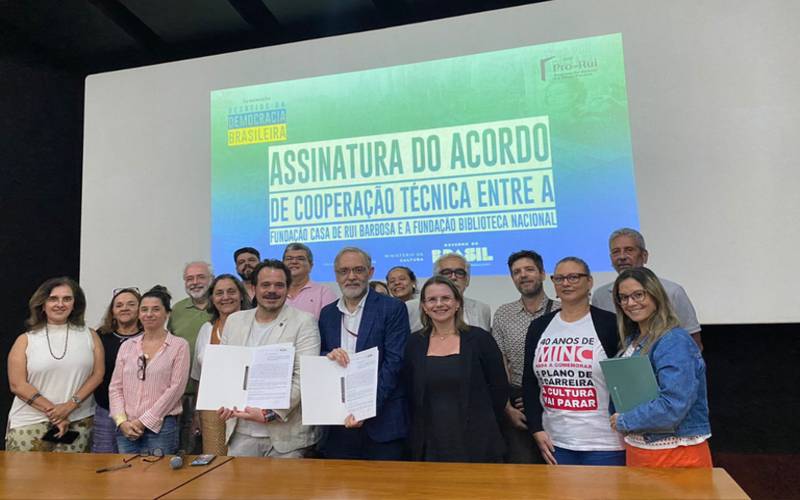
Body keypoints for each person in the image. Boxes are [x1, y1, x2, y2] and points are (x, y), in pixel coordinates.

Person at [522, 257, 624, 466]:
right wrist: (536, 429)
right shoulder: (539, 327)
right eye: (559, 278)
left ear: (590, 281)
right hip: (556, 443)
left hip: (605, 443)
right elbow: (530, 383)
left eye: (573, 277)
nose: (566, 283)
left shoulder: (611, 325)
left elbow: (625, 382)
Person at [609, 267, 712, 468]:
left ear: (656, 294)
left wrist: (624, 421)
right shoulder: (632, 340)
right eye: (623, 298)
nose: (630, 303)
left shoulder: (674, 340)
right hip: (640, 450)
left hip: (676, 454)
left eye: (638, 295)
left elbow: (674, 405)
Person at [217, 260, 321, 458]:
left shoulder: (304, 321)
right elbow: (226, 370)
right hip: (241, 433)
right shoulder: (234, 321)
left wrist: (270, 412)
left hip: (286, 437)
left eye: (279, 285)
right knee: (240, 489)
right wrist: (223, 399)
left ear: (288, 289)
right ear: (254, 288)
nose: (272, 290)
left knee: (284, 490)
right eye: (265, 285)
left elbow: (304, 376)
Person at [318, 247, 410, 460]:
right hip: (338, 423)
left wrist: (364, 408)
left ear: (370, 272)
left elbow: (394, 363)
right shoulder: (328, 313)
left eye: (358, 270)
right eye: (344, 271)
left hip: (382, 422)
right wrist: (328, 356)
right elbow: (321, 355)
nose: (351, 277)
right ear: (336, 275)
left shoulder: (392, 308)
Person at [404, 276, 507, 462]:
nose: (439, 304)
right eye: (432, 299)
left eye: (446, 298)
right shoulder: (414, 344)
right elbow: (409, 392)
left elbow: (499, 390)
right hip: (430, 441)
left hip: (478, 440)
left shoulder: (480, 339)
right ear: (424, 307)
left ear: (457, 303)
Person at [6, 277, 104, 452]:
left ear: (75, 304)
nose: (60, 304)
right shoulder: (25, 340)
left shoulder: (91, 336)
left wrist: (69, 407)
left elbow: (97, 375)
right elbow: (17, 384)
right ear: (42, 304)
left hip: (78, 422)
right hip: (30, 423)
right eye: (53, 299)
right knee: (24, 479)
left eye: (67, 299)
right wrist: (56, 413)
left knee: (70, 479)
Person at [492, 250, 560, 463]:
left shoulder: (562, 310)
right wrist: (507, 407)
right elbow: (500, 362)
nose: (523, 275)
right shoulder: (503, 313)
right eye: (516, 272)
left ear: (541, 273)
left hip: (556, 401)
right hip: (518, 402)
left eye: (529, 270)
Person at [109, 286, 190, 455]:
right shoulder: (127, 346)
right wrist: (121, 421)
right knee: (127, 478)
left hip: (161, 428)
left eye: (156, 309)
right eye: (144, 309)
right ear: (139, 314)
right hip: (127, 429)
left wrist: (144, 421)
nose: (149, 314)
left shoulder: (179, 346)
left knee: (158, 479)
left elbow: (176, 389)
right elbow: (115, 388)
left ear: (167, 313)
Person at [592, 228, 702, 349]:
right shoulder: (600, 295)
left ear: (644, 256)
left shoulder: (672, 291)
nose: (622, 257)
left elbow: (694, 343)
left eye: (629, 250)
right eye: (616, 252)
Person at [191, 274, 251, 456]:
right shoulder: (206, 329)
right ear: (212, 299)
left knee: (244, 463)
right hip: (212, 409)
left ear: (241, 295)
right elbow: (198, 375)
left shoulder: (255, 325)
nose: (226, 297)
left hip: (246, 407)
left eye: (231, 291)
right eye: (219, 293)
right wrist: (197, 412)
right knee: (215, 464)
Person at [168, 261, 213, 453]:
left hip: (214, 396)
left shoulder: (223, 304)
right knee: (185, 451)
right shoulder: (177, 310)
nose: (195, 282)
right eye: (189, 278)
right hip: (184, 394)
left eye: (200, 277)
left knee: (213, 450)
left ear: (211, 279)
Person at [92, 287, 143, 453]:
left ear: (140, 309)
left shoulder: (149, 337)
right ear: (112, 312)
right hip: (105, 411)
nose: (125, 308)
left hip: (138, 415)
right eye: (119, 305)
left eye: (131, 304)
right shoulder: (100, 337)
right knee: (102, 461)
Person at [407, 253, 491, 332]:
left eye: (459, 273)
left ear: (467, 280)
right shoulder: (411, 308)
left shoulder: (482, 309)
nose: (453, 277)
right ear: (435, 278)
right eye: (446, 272)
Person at [283, 242, 337, 320]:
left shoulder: (323, 293)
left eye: (300, 258)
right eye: (289, 259)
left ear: (311, 266)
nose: (294, 262)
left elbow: (330, 325)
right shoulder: (276, 292)